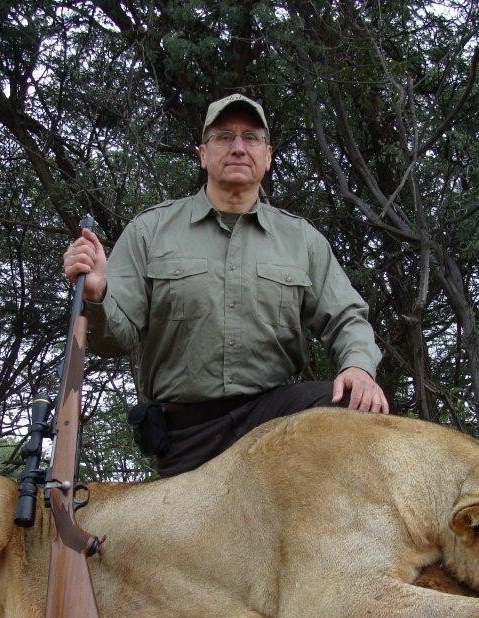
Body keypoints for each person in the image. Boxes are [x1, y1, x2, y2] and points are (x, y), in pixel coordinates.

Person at [63, 93, 387, 476]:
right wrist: (97, 295)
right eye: (223, 137)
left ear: (267, 156)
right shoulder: (150, 232)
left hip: (274, 416)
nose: (237, 147)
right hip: (189, 431)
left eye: (251, 138)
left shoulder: (302, 239)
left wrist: (359, 368)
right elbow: (111, 341)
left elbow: (347, 317)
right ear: (203, 154)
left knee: (356, 403)